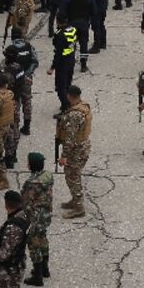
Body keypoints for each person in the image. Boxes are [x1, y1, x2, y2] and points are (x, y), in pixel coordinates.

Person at [56, 84, 93, 219]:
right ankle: (74, 200)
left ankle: (79, 208)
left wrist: (63, 156)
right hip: (83, 146)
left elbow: (70, 138)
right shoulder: (83, 106)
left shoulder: (74, 114)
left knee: (73, 177)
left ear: (69, 96)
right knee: (73, 176)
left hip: (76, 150)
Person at [20, 152, 54, 287]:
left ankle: (37, 276)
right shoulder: (48, 175)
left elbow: (25, 198)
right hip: (46, 214)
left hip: (35, 216)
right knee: (43, 239)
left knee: (33, 242)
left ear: (31, 165)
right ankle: (45, 269)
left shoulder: (31, 182)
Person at [4, 39, 38, 136]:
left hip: (15, 82)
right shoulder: (28, 46)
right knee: (27, 101)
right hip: (25, 78)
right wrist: (26, 74)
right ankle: (27, 126)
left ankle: (15, 130)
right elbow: (35, 61)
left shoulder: (12, 50)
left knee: (16, 105)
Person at [49, 16, 78, 112]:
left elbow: (58, 53)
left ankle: (66, 108)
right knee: (68, 85)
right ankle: (68, 103)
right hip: (71, 59)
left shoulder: (59, 34)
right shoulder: (72, 29)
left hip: (62, 63)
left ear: (57, 22)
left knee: (60, 87)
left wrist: (52, 67)